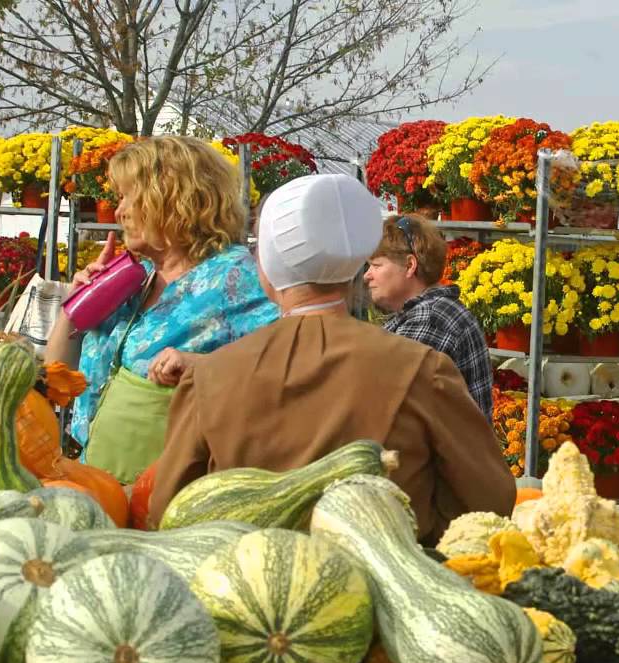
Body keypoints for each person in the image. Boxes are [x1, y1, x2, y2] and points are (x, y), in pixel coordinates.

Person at [147, 174, 514, 542]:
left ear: (269, 269)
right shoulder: (421, 368)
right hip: (379, 586)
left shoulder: (212, 375)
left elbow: (169, 510)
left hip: (242, 584)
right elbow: (490, 500)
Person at [46, 136, 277, 486]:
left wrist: (203, 366)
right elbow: (56, 372)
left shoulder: (235, 277)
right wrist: (75, 308)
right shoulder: (133, 282)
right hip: (98, 482)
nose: (119, 211)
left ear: (169, 198)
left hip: (174, 497)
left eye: (126, 197)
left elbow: (288, 366)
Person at [363, 215, 493, 418]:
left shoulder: (430, 319)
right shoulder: (432, 311)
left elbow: (386, 406)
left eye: (376, 265)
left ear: (409, 265)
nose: (367, 275)